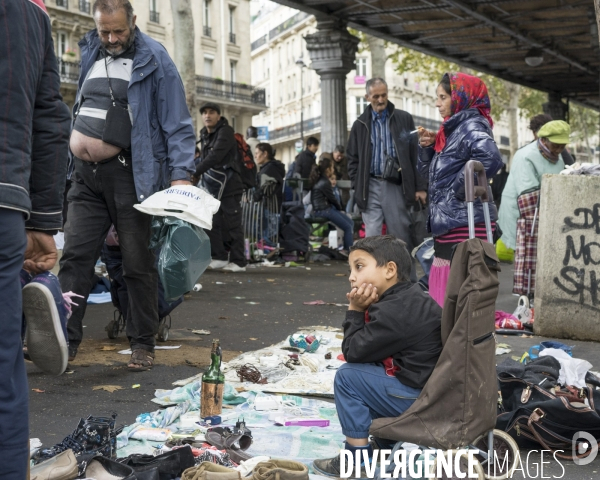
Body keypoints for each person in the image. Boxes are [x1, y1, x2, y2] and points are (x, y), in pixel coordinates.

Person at [59, 0, 196, 371]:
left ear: (133, 21)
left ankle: (142, 342)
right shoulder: (91, 47)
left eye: (118, 30)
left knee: (137, 262)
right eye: (105, 31)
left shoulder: (155, 57)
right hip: (85, 176)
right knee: (75, 258)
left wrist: (180, 175)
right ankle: (63, 342)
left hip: (130, 174)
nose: (112, 38)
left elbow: (177, 121)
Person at [1, 0, 71, 475]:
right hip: (5, 198)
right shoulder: (31, 14)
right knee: (5, 367)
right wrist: (42, 221)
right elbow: (49, 119)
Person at [312, 236, 442, 477]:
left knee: (348, 378)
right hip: (431, 391)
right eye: (351, 269)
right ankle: (386, 445)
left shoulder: (395, 311)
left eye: (359, 267)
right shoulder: (410, 296)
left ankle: (356, 461)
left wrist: (355, 311)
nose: (352, 276)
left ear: (390, 270)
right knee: (370, 371)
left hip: (418, 400)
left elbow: (352, 353)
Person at [417, 72, 503, 307]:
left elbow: (491, 160)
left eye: (443, 97)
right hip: (452, 220)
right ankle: (450, 340)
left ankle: (456, 341)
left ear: (460, 98)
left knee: (456, 291)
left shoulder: (471, 126)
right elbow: (429, 177)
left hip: (463, 222)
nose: (437, 103)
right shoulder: (452, 130)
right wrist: (427, 149)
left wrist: (457, 190)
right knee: (448, 291)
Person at [346, 78, 427, 271]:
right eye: (376, 96)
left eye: (383, 95)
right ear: (367, 97)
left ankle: (407, 282)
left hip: (395, 186)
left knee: (400, 237)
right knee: (372, 238)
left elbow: (415, 154)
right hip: (369, 185)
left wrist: (420, 187)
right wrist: (357, 186)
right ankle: (376, 283)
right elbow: (352, 159)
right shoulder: (359, 124)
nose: (381, 99)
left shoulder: (403, 118)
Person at [497, 120, 569, 254]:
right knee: (524, 259)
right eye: (556, 145)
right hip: (522, 212)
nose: (559, 150)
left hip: (543, 212)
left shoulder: (558, 158)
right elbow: (528, 193)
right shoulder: (525, 156)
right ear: (545, 140)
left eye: (562, 146)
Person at [195, 102, 247, 273]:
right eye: (204, 113)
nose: (207, 116)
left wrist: (195, 172)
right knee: (212, 221)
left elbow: (215, 156)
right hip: (214, 186)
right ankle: (219, 257)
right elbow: (204, 158)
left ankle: (239, 261)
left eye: (211, 112)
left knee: (233, 223)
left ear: (218, 115)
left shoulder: (225, 132)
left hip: (230, 185)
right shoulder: (204, 134)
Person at [310, 157, 354, 252]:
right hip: (323, 211)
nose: (333, 170)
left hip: (325, 209)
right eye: (332, 167)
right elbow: (332, 199)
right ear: (328, 170)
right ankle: (348, 250)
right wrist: (340, 209)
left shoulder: (321, 179)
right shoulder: (324, 182)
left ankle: (347, 249)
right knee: (347, 226)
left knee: (350, 223)